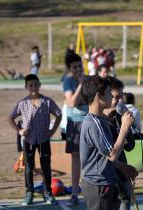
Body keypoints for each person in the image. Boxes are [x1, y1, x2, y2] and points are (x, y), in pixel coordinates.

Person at [80, 75, 135, 210]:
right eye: (109, 93)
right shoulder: (94, 123)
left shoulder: (100, 121)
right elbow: (112, 154)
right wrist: (124, 127)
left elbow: (103, 156)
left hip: (107, 182)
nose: (112, 97)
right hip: (98, 184)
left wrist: (123, 167)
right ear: (99, 95)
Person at [9, 74, 62, 205]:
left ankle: (48, 192)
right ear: (26, 87)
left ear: (39, 85)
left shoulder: (47, 102)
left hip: (44, 139)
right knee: (29, 167)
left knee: (46, 166)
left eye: (35, 84)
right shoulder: (22, 103)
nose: (33, 87)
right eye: (30, 85)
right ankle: (29, 193)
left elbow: (59, 114)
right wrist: (20, 130)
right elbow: (10, 117)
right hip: (29, 140)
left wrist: (52, 130)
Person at [104, 76, 138, 210]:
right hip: (107, 172)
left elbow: (130, 146)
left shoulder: (120, 117)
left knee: (126, 197)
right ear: (106, 96)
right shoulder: (100, 121)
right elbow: (106, 153)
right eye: (116, 97)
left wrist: (127, 126)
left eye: (121, 97)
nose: (120, 101)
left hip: (122, 167)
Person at [62, 53, 88, 206]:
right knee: (76, 158)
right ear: (70, 68)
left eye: (80, 65)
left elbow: (90, 100)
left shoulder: (88, 79)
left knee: (90, 157)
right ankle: (74, 193)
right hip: (75, 122)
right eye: (74, 67)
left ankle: (90, 191)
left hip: (89, 121)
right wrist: (80, 85)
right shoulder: (68, 81)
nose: (78, 69)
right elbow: (71, 102)